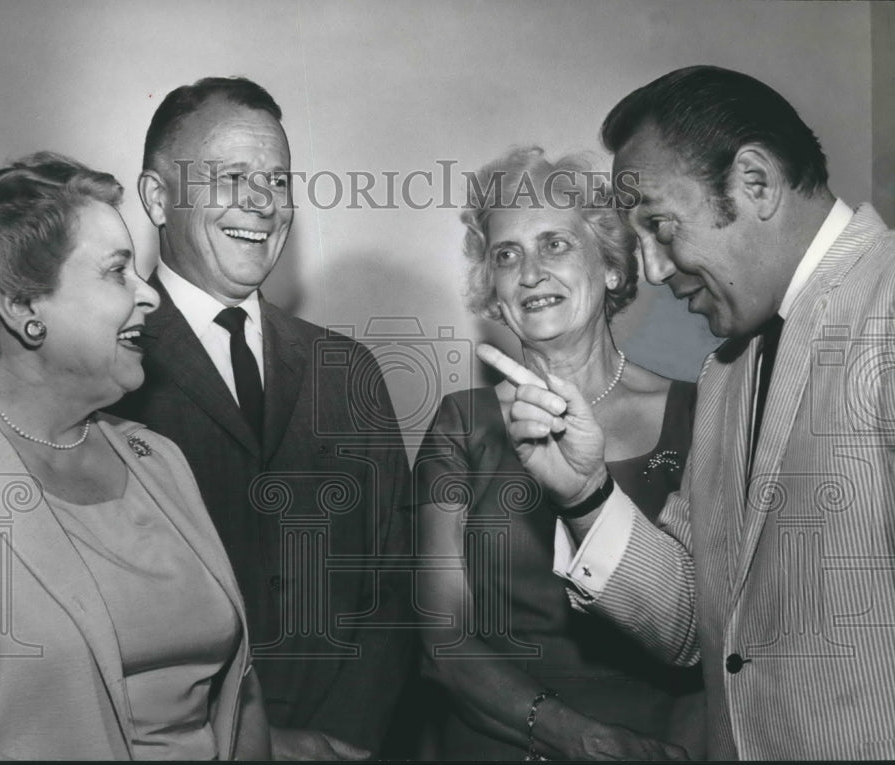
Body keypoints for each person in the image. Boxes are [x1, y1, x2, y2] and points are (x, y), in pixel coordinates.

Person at [501, 65, 895, 759]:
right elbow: (695, 621)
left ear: (755, 182)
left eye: (659, 224)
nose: (652, 269)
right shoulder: (727, 372)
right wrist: (587, 494)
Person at [0, 153, 268, 760]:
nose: (148, 296)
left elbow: (242, 696)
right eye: (117, 272)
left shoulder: (157, 459)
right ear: (22, 309)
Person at [111, 77, 413, 760]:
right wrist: (249, 744)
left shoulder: (347, 369)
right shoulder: (106, 371)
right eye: (230, 176)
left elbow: (395, 577)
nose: (262, 202)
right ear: (157, 197)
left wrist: (346, 737)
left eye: (277, 180)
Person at [414, 147, 703, 761]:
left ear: (613, 268)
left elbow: (732, 634)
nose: (529, 273)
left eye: (555, 245)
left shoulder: (701, 412)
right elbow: (442, 642)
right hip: (502, 742)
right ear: (493, 290)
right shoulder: (462, 425)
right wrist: (584, 740)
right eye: (506, 255)